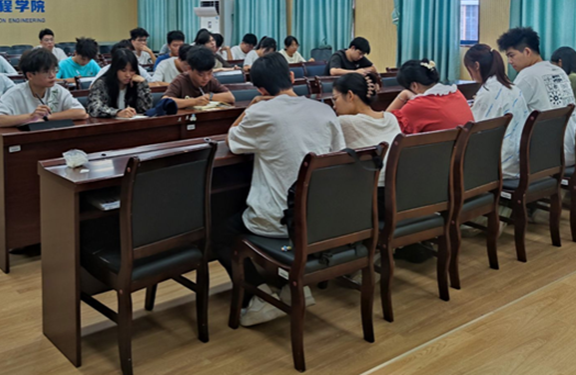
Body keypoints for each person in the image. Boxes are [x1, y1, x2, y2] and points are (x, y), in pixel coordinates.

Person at [219, 53, 346, 326]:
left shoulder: (260, 112)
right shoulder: (325, 110)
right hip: (318, 218)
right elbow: (338, 155)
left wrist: (249, 108)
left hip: (279, 221)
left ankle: (261, 296)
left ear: (260, 89)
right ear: (291, 77)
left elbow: (232, 140)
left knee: (219, 233)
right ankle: (292, 285)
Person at [497, 27, 576, 165]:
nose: (509, 61)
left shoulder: (528, 75)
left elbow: (508, 111)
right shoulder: (558, 71)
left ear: (527, 52)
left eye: (511, 55)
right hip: (573, 148)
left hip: (549, 153)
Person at [464, 44, 529, 179]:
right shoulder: (514, 88)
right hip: (520, 162)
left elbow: (474, 132)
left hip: (500, 165)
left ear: (476, 66)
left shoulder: (487, 93)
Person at [332, 72, 400, 187]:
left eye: (335, 99)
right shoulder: (390, 118)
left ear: (350, 95)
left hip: (368, 189)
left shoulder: (344, 122)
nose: (334, 106)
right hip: (397, 186)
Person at [0, 49, 88, 127]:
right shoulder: (15, 93)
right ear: (30, 75)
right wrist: (31, 117)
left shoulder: (58, 90)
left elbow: (81, 112)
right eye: (46, 72)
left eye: (54, 70)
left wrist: (47, 118)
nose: (52, 75)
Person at [387, 59, 474, 134]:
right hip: (466, 146)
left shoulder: (418, 105)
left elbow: (386, 124)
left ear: (414, 86)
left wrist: (404, 94)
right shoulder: (456, 93)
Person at [87, 48, 153, 118]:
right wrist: (117, 112)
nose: (128, 75)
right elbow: (94, 108)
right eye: (123, 70)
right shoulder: (101, 84)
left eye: (132, 70)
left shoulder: (136, 83)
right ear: (115, 69)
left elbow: (146, 109)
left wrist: (143, 84)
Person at [163, 47, 235, 108]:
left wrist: (209, 96)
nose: (206, 78)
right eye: (200, 74)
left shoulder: (211, 80)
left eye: (209, 73)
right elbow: (165, 101)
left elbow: (230, 97)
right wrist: (195, 101)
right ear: (189, 69)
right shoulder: (180, 80)